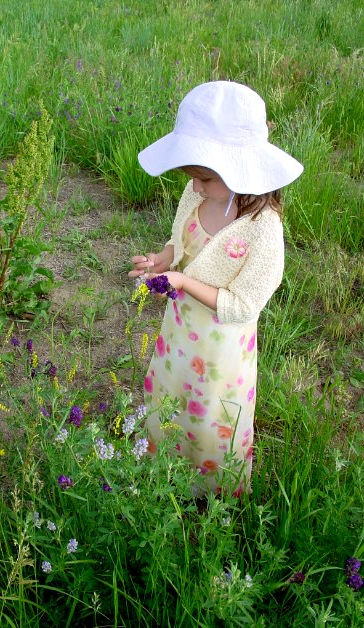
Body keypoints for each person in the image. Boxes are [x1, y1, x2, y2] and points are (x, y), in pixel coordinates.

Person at [129, 81, 303, 495]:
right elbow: (181, 242)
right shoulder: (194, 196)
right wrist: (164, 260)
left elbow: (244, 305)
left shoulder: (262, 231)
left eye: (205, 177)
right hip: (180, 336)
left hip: (221, 350)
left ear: (240, 170)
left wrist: (184, 282)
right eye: (191, 176)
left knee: (210, 413)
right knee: (174, 397)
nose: (196, 186)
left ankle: (212, 490)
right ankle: (166, 464)